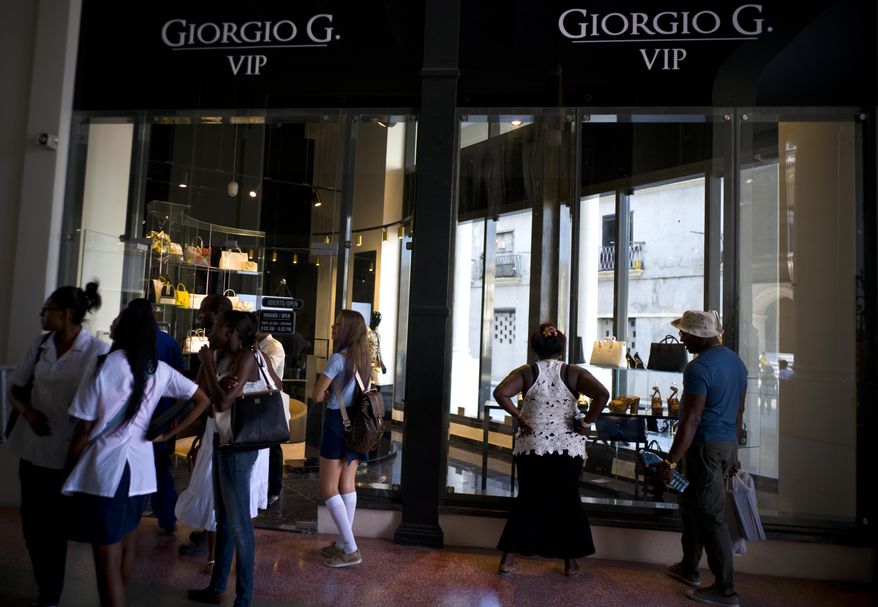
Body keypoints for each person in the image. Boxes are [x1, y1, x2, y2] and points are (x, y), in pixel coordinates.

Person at [62, 302, 211, 607]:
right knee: (127, 548)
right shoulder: (160, 370)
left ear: (123, 329)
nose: (113, 323)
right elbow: (202, 399)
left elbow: (83, 427)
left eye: (117, 320)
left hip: (107, 472)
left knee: (105, 560)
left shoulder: (105, 365)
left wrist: (66, 469)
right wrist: (169, 433)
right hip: (141, 474)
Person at [6, 282, 109, 607]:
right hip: (34, 452)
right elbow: (16, 387)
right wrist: (29, 412)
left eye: (47, 310)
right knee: (32, 528)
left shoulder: (96, 351)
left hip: (69, 456)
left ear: (66, 314)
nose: (41, 315)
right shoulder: (40, 346)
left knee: (57, 529)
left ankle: (51, 593)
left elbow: (102, 403)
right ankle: (46, 587)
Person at [493, 323, 609, 578]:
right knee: (566, 501)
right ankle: (570, 564)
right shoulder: (573, 372)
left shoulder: (527, 372)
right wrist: (586, 422)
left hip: (532, 446)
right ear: (561, 348)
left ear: (535, 348)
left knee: (528, 499)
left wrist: (520, 417)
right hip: (567, 448)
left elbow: (501, 393)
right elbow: (602, 395)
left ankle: (507, 560)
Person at [653, 310, 747, 607]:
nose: (680, 337)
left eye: (685, 333)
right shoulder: (736, 362)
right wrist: (733, 451)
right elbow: (739, 413)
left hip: (703, 447)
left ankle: (725, 589)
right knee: (692, 505)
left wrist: (669, 462)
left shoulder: (698, 368)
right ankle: (689, 567)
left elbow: (691, 421)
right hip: (724, 444)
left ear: (700, 335)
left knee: (710, 515)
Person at [188, 311, 282, 607]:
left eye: (216, 326)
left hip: (239, 446)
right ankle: (217, 588)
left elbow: (223, 401)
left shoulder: (247, 357)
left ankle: (243, 598)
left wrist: (205, 363)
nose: (210, 329)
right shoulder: (221, 357)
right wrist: (210, 366)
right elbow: (204, 395)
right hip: (222, 438)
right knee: (224, 517)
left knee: (239, 523)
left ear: (230, 330)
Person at [312, 309, 371, 568]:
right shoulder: (365, 360)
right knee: (347, 485)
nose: (333, 328)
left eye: (338, 325)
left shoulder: (337, 359)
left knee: (328, 489)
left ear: (348, 330)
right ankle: (344, 543)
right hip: (358, 426)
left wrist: (327, 393)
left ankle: (351, 549)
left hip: (338, 424)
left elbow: (316, 395)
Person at [255, 317, 287, 507]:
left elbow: (266, 372)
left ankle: (274, 489)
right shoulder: (256, 346)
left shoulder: (274, 346)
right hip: (257, 400)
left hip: (270, 400)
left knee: (273, 445)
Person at [367, 311, 386, 385]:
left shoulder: (377, 332)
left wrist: (382, 362)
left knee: (376, 383)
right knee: (369, 383)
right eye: (376, 320)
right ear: (372, 319)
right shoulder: (366, 331)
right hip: (368, 362)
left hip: (376, 363)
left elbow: (378, 348)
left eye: (379, 321)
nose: (378, 323)